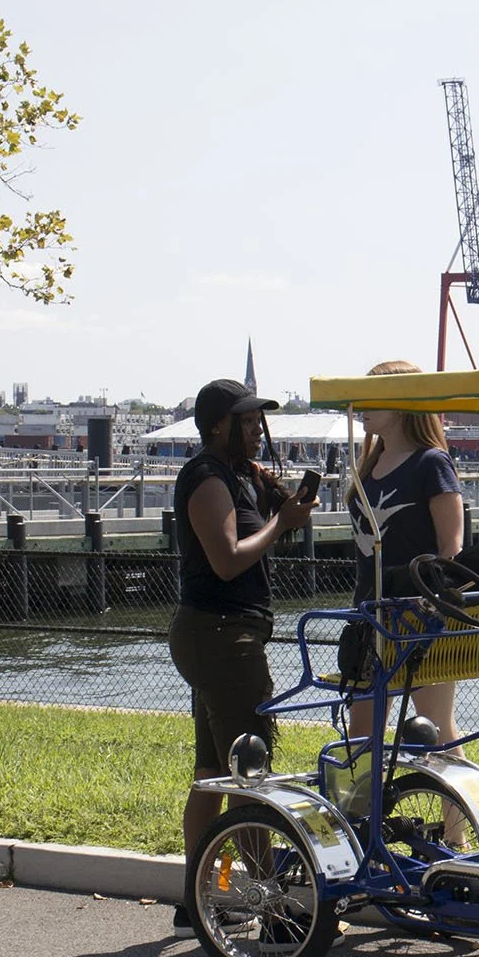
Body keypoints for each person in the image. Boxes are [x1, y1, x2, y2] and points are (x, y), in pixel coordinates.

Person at [169, 377, 315, 925]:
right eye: (247, 422)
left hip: (222, 635)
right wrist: (281, 524)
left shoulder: (240, 475)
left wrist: (286, 501)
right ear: (216, 427)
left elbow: (288, 511)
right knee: (249, 773)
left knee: (213, 771)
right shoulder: (207, 478)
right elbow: (227, 559)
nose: (257, 431)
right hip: (221, 637)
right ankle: (272, 907)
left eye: (260, 422)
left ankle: (202, 893)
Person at [345, 359, 466, 751]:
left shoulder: (431, 462)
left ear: (401, 404)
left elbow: (452, 547)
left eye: (372, 397)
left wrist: (432, 606)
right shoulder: (369, 463)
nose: (361, 404)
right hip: (368, 617)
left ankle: (465, 813)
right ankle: (363, 814)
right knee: (361, 738)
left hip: (418, 620)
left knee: (435, 733)